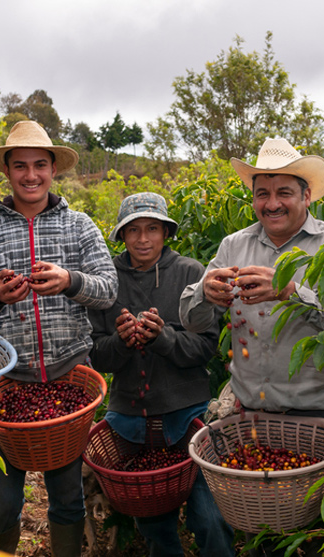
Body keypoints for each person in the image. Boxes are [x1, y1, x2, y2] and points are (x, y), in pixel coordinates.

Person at [0, 120, 117, 556]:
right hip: (6, 385)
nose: (30, 175)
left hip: (69, 380)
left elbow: (108, 288)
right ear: (7, 171)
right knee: (2, 502)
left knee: (66, 497)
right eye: (20, 166)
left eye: (39, 165)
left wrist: (69, 280)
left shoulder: (79, 226)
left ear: (53, 170)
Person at [179, 137, 324, 424]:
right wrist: (204, 294)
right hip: (246, 414)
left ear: (306, 196)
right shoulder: (233, 246)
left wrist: (291, 292)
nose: (272, 204)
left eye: (284, 193)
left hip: (319, 414)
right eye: (262, 194)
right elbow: (191, 321)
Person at [87, 193, 234, 557]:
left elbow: (205, 348)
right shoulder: (108, 278)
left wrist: (163, 337)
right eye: (133, 230)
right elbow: (96, 353)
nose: (142, 239)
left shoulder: (190, 273)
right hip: (131, 420)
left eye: (152, 228)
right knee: (154, 524)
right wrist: (122, 342)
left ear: (166, 232)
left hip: (189, 414)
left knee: (211, 518)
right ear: (121, 236)